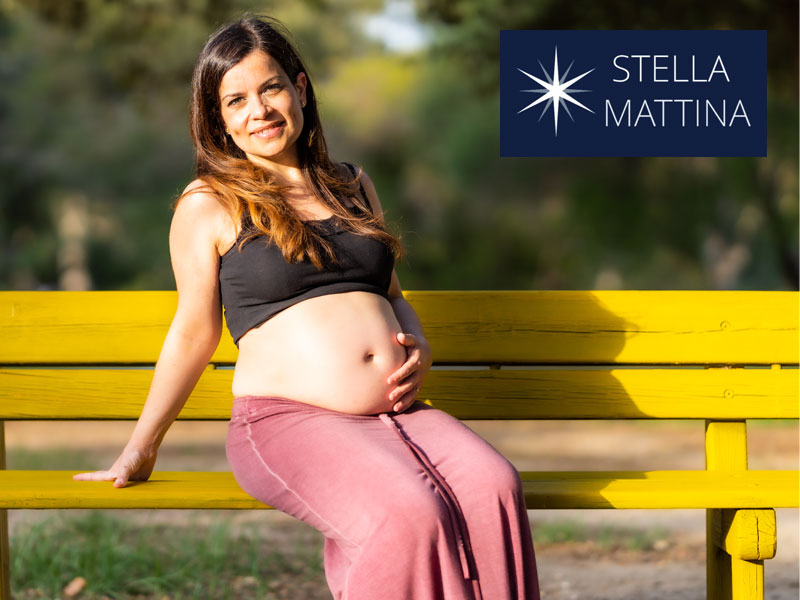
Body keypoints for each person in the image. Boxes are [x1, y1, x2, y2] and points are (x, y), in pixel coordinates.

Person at [75, 15, 540, 600]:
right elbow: (194, 333)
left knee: (494, 485)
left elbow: (392, 295)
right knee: (409, 513)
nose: (259, 110)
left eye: (270, 89)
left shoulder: (351, 183)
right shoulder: (209, 203)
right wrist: (141, 447)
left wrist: (420, 342)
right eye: (235, 100)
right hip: (286, 421)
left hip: (395, 416)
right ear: (218, 119)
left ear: (299, 87)